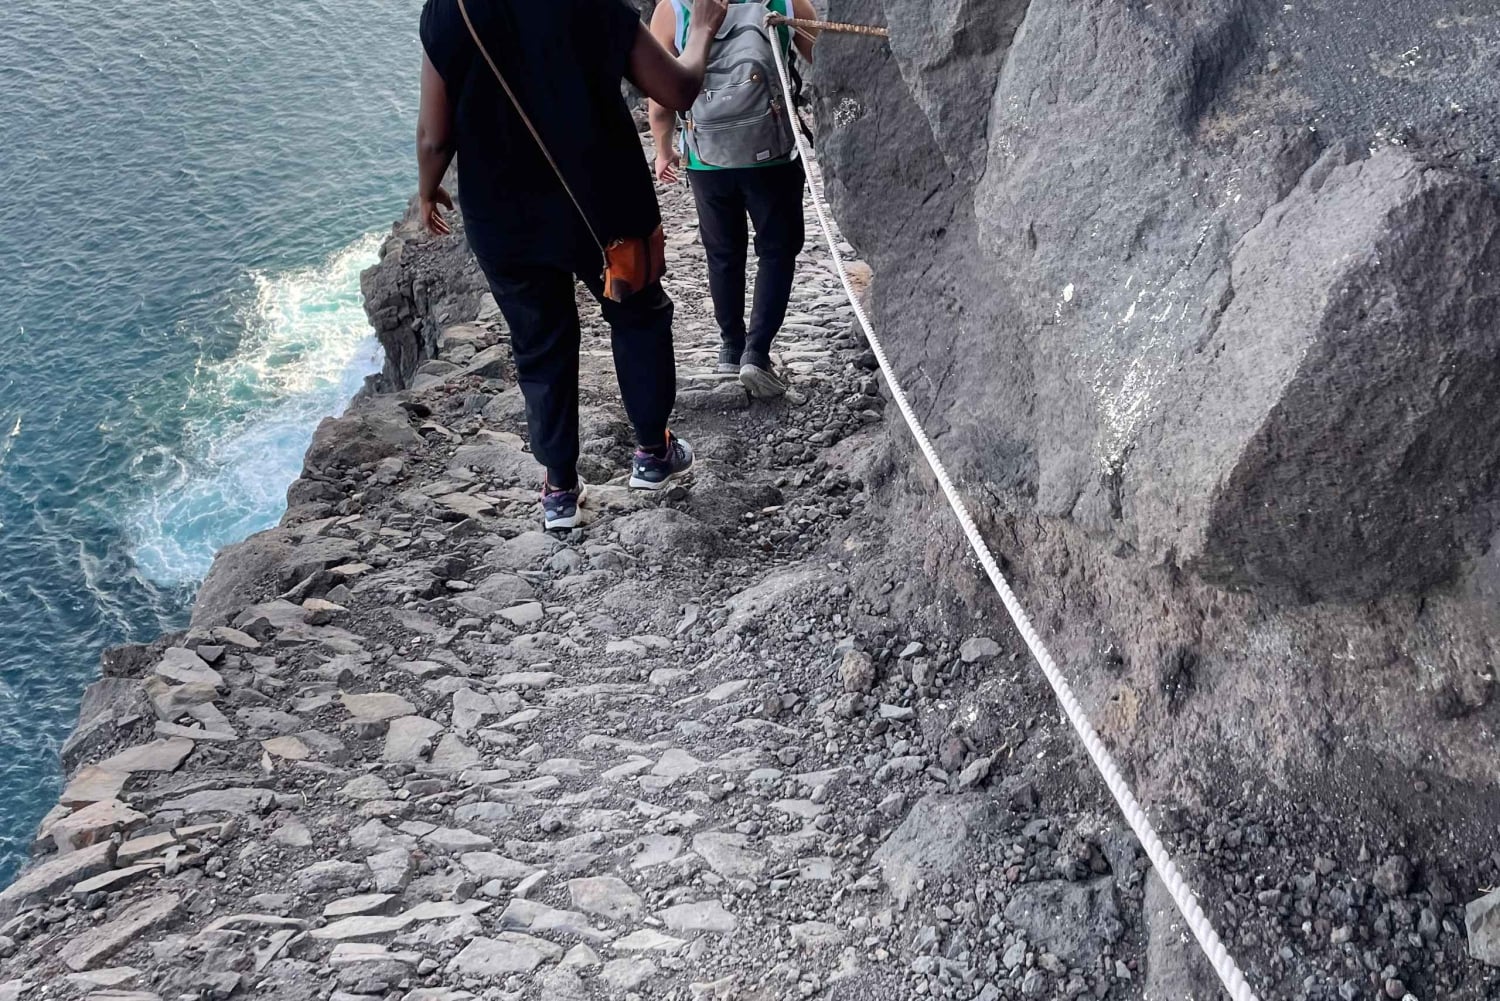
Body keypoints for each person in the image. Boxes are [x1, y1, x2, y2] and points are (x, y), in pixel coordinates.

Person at [417, 0, 729, 530]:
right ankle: (654, 453)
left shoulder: (449, 10)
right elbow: (677, 89)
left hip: (504, 217)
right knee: (638, 314)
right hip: (604, 204)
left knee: (539, 343)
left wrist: (427, 190)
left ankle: (559, 488)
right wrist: (699, 31)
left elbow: (434, 135)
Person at [648, 0, 818, 399]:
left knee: (722, 253)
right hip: (771, 153)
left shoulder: (673, 9)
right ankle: (756, 354)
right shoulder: (785, 3)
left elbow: (659, 98)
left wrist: (663, 149)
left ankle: (730, 346)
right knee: (777, 250)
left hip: (707, 159)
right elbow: (829, 65)